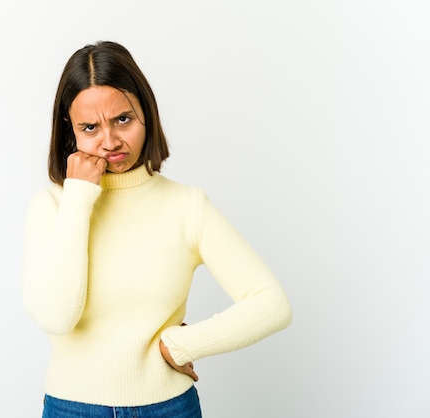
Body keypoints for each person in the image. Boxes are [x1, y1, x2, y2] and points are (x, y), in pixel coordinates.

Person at [23, 40, 292, 418]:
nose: (110, 141)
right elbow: (56, 317)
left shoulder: (188, 206)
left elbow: (271, 303)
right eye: (90, 127)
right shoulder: (53, 206)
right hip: (72, 409)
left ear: (146, 114)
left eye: (123, 119)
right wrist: (80, 196)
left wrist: (180, 345)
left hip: (168, 408)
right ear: (70, 128)